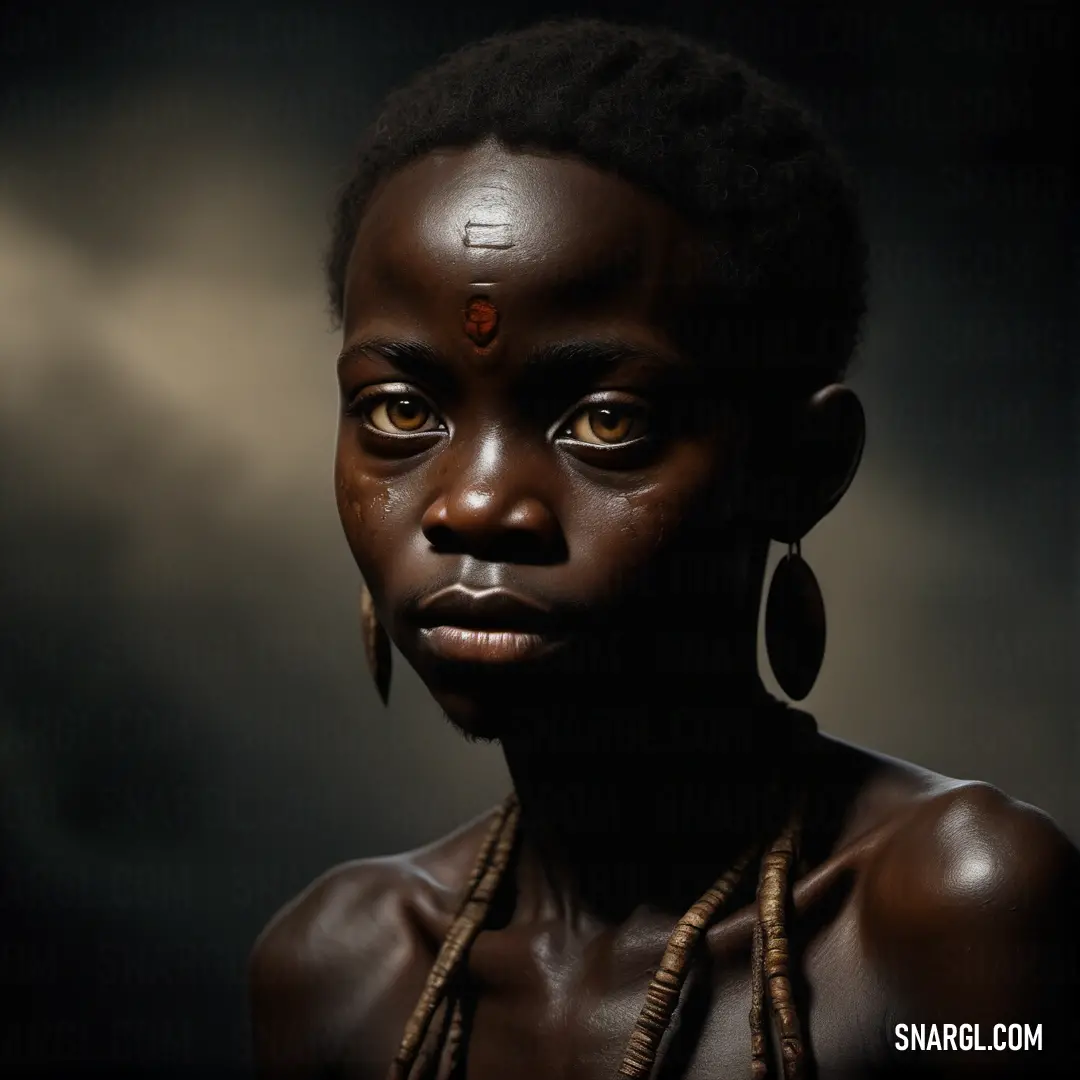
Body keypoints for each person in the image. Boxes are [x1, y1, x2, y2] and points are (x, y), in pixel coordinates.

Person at [248, 18, 1079, 1079]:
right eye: (400, 411)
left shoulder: (955, 918)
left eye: (604, 420)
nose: (474, 503)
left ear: (801, 469)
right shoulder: (336, 972)